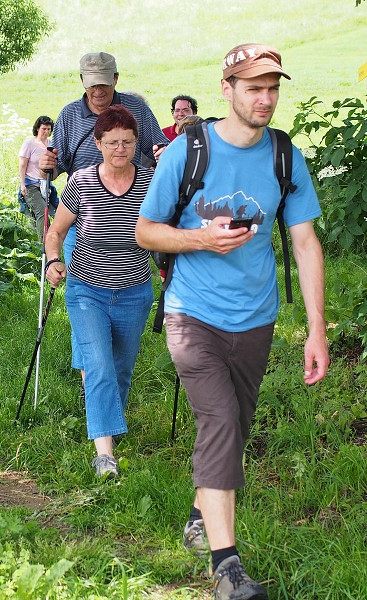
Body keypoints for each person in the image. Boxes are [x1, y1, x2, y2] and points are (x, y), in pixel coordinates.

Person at [136, 43, 330, 599]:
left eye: (273, 88)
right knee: (220, 421)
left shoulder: (284, 156)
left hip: (256, 318)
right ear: (227, 90)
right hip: (191, 313)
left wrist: (316, 330)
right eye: (254, 88)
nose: (265, 99)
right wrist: (201, 240)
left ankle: (201, 518)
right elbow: (146, 231)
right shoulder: (187, 151)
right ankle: (227, 568)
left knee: (235, 427)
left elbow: (305, 241)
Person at [39, 52, 168, 389]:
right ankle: (91, 379)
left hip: (129, 216)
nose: (98, 90)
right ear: (83, 82)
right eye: (91, 83)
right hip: (81, 214)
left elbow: (161, 149)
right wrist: (47, 167)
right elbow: (58, 165)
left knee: (121, 305)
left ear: (116, 79)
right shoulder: (69, 114)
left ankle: (103, 378)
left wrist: (163, 154)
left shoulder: (136, 110)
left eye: (104, 82)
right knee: (85, 306)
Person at [45, 106, 154, 478]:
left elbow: (168, 229)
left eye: (127, 142)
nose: (120, 149)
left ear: (136, 144)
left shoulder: (152, 181)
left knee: (121, 370)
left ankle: (104, 419)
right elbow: (56, 232)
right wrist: (52, 260)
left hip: (135, 291)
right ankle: (104, 455)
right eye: (112, 142)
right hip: (86, 289)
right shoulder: (81, 181)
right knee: (100, 367)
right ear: (98, 143)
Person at [18, 115, 58, 239]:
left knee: (55, 212)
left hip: (45, 185)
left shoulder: (51, 145)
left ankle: (47, 239)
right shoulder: (30, 143)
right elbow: (22, 164)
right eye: (44, 129)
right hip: (31, 185)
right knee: (42, 212)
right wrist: (22, 184)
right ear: (37, 129)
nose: (46, 132)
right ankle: (44, 244)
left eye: (49, 129)